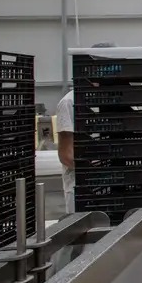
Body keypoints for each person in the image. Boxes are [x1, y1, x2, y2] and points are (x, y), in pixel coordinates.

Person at [55, 41, 116, 216]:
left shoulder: (115, 98)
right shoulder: (70, 102)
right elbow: (66, 155)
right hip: (82, 188)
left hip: (113, 187)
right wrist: (97, 172)